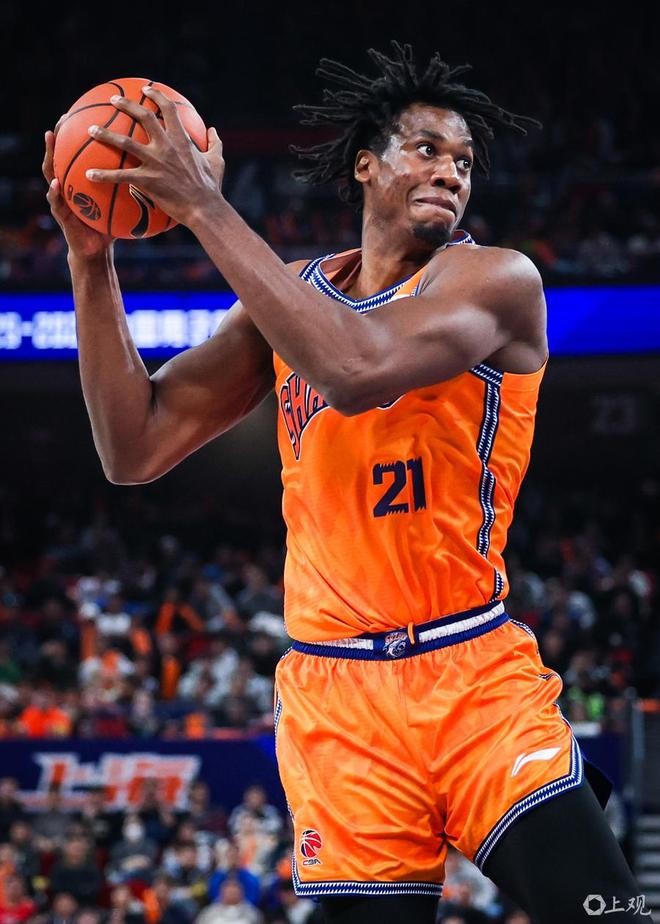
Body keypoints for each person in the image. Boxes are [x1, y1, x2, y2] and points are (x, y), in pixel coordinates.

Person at [44, 41, 642, 924]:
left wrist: (203, 205)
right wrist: (90, 263)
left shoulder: (497, 281)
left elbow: (354, 370)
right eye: (427, 148)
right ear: (365, 164)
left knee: (607, 914)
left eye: (464, 161)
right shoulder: (292, 299)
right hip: (337, 701)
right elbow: (132, 446)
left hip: (472, 678)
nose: (451, 171)